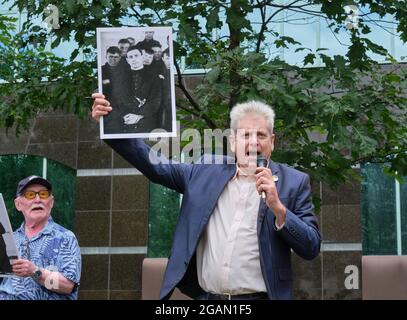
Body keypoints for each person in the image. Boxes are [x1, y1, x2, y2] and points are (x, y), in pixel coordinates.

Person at [91, 96, 321, 300]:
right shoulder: (204, 171)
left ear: (272, 142)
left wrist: (278, 208)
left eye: (261, 135)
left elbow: (311, 246)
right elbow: (153, 164)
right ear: (232, 142)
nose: (253, 142)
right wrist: (111, 124)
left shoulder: (294, 182)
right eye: (245, 135)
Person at [0, 176, 81, 300]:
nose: (38, 199)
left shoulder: (65, 238)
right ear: (18, 204)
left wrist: (35, 271)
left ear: (51, 202)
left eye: (43, 194)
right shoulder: (9, 239)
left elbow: (67, 286)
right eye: (30, 195)